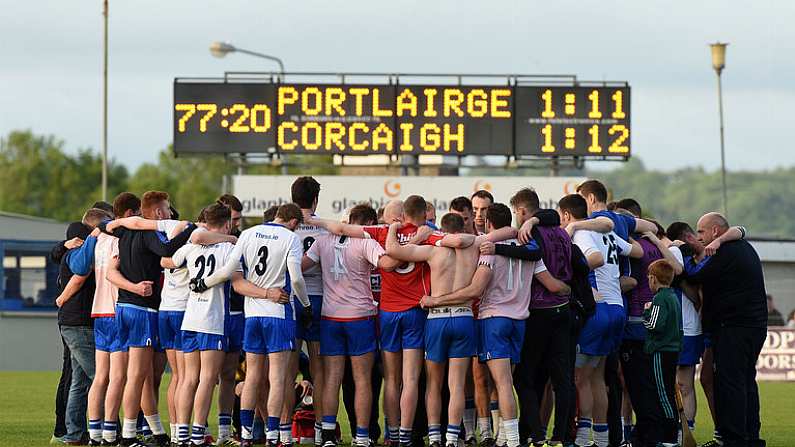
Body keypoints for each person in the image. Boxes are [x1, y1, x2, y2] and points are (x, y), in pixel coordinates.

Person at [424, 203, 570, 447]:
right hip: (519, 322)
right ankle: (503, 436)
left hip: (494, 319)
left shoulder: (488, 248)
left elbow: (476, 288)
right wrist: (572, 290)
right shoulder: (527, 247)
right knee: (505, 382)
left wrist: (436, 300)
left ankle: (511, 440)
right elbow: (554, 285)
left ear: (489, 223)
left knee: (500, 383)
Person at [191, 203, 312, 447]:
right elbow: (296, 277)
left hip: (252, 314)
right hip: (279, 313)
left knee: (254, 376)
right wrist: (306, 304)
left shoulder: (247, 234)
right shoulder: (290, 238)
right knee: (278, 378)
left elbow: (227, 270)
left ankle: (246, 435)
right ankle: (273, 436)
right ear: (293, 222)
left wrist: (203, 283)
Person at [103, 191, 196, 447]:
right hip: (143, 310)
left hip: (123, 306)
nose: (169, 214)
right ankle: (129, 435)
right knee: (136, 376)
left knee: (138, 375)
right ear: (157, 213)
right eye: (166, 209)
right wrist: (189, 230)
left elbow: (105, 228)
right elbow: (166, 249)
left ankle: (153, 431)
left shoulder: (124, 232)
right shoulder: (147, 233)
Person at [301, 204, 398, 447]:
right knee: (362, 379)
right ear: (367, 224)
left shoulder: (323, 241)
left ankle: (327, 435)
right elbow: (387, 264)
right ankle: (362, 437)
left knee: (332, 378)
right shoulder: (365, 241)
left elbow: (301, 266)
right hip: (360, 317)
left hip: (330, 317)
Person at [558, 194, 642, 447]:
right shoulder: (606, 233)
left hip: (598, 309)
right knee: (597, 377)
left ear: (566, 215)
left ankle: (584, 439)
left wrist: (577, 280)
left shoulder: (581, 235)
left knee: (579, 378)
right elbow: (636, 251)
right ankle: (602, 439)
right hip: (617, 308)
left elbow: (595, 259)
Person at [684, 213, 767, 447]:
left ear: (715, 232)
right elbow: (740, 229)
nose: (698, 237)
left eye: (701, 231)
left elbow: (694, 275)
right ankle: (751, 437)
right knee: (746, 382)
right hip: (754, 326)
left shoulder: (722, 252)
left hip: (734, 327)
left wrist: (684, 255)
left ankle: (734, 438)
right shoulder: (743, 247)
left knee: (730, 383)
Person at [165, 203, 237, 446]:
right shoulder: (229, 247)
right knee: (208, 379)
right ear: (227, 223)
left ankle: (181, 434)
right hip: (212, 320)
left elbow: (169, 261)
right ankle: (197, 434)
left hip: (189, 318)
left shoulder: (191, 246)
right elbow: (231, 273)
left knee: (188, 379)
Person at [56, 210, 110, 445]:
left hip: (72, 322)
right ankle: (110, 431)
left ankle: (75, 434)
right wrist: (62, 299)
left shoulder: (71, 253)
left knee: (80, 382)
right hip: (78, 323)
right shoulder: (80, 254)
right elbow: (79, 277)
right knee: (100, 377)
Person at [291, 177, 328, 446]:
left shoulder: (285, 229)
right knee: (319, 369)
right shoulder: (325, 229)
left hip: (290, 300)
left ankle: (282, 431)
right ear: (315, 200)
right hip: (317, 299)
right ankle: (319, 429)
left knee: (286, 369)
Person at [642, 259, 683, 446]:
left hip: (660, 351)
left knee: (663, 394)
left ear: (654, 279)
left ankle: (669, 436)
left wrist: (646, 313)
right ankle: (671, 434)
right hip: (672, 350)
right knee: (667, 391)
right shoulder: (673, 296)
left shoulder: (660, 298)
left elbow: (654, 326)